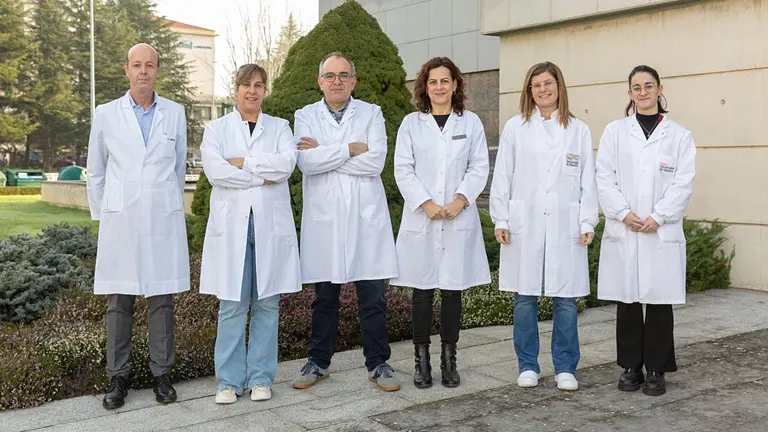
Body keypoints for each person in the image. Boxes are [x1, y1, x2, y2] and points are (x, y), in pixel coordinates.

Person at [86, 43, 189, 410]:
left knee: (161, 300)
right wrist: (106, 217)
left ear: (158, 70)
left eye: (149, 65)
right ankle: (118, 377)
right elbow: (96, 171)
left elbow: (177, 170)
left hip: (160, 218)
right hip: (121, 221)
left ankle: (162, 375)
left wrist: (164, 206)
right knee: (120, 301)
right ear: (126, 69)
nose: (143, 71)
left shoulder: (175, 113)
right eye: (136, 65)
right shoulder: (106, 114)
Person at [290, 52, 400, 392]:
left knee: (373, 297)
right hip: (326, 222)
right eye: (330, 75)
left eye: (343, 75)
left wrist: (326, 149)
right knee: (325, 297)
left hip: (365, 219)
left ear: (353, 81)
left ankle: (378, 363)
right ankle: (319, 362)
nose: (336, 81)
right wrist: (350, 148)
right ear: (319, 81)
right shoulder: (304, 114)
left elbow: (375, 162)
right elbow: (306, 164)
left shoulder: (372, 112)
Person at [489, 61, 598, 392]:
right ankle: (528, 365)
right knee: (525, 297)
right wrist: (501, 218)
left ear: (559, 87)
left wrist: (587, 219)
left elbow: (587, 179)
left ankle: (565, 366)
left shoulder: (577, 130)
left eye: (548, 83)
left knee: (565, 298)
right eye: (536, 85)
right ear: (529, 91)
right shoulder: (515, 127)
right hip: (527, 223)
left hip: (566, 222)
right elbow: (503, 175)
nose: (543, 89)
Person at [198, 64, 301, 404]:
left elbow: (285, 166)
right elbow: (216, 173)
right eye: (246, 85)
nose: (252, 91)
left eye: (259, 85)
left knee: (267, 305)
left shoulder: (280, 127)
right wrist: (262, 172)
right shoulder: (216, 130)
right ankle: (228, 381)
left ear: (265, 90)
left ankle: (260, 377)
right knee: (232, 306)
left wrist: (242, 163)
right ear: (236, 89)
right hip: (233, 229)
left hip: (269, 227)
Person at [595, 65, 696, 396]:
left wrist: (660, 216)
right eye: (636, 87)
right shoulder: (615, 132)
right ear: (629, 93)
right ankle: (630, 367)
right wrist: (623, 213)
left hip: (658, 230)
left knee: (658, 300)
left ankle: (656, 369)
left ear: (659, 88)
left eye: (648, 85)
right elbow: (603, 177)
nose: (642, 92)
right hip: (626, 227)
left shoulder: (679, 135)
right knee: (627, 300)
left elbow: (683, 182)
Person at [391, 57, 490, 389]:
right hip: (424, 217)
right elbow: (403, 168)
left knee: (451, 290)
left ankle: (449, 359)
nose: (439, 87)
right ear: (425, 86)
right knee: (421, 291)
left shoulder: (471, 123)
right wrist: (426, 203)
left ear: (455, 85)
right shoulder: (411, 124)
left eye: (445, 81)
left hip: (457, 215)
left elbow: (479, 166)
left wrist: (461, 199)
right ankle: (422, 361)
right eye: (433, 82)